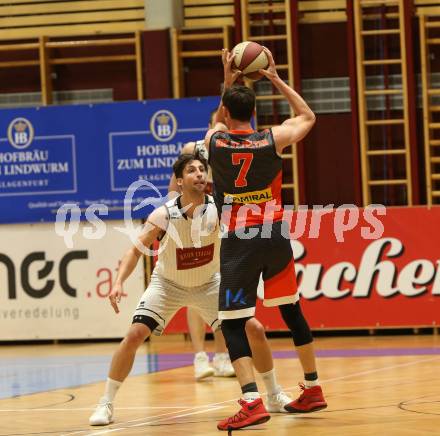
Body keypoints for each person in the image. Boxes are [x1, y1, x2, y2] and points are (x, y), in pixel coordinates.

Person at [89, 152, 291, 426]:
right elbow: (135, 251)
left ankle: (275, 395)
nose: (199, 174)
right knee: (135, 334)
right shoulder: (164, 214)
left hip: (210, 283)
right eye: (192, 170)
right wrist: (117, 282)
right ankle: (106, 403)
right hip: (168, 285)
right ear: (180, 182)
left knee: (254, 329)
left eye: (202, 170)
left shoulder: (219, 209)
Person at [205, 48, 327, 431]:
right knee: (291, 312)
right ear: (255, 111)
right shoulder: (272, 139)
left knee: (233, 323)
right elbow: (308, 116)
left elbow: (219, 121)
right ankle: (313, 388)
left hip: (240, 240)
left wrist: (228, 79)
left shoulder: (215, 141)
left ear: (226, 111)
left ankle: (251, 401)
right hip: (275, 234)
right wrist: (274, 77)